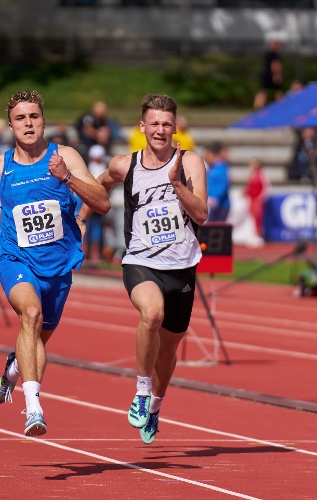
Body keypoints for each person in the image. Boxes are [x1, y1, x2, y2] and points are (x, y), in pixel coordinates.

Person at [77, 93, 208, 444]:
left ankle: (154, 406)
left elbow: (201, 214)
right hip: (140, 261)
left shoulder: (191, 162)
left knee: (168, 353)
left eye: (167, 124)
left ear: (174, 127)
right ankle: (140, 390)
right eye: (155, 124)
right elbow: (100, 184)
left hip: (182, 266)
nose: (161, 130)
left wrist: (177, 183)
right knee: (151, 314)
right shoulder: (126, 165)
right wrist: (82, 217)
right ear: (142, 127)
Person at [0, 89, 110, 437]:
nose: (28, 123)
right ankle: (33, 408)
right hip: (14, 257)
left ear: (44, 121)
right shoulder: (2, 166)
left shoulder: (65, 156)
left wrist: (66, 178)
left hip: (58, 265)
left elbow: (103, 203)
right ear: (10, 125)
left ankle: (13, 370)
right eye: (21, 118)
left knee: (37, 340)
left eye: (34, 117)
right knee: (29, 315)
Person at [203, 141, 231, 222]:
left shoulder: (221, 167)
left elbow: (223, 185)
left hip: (220, 205)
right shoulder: (212, 168)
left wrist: (216, 198)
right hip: (212, 204)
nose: (206, 157)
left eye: (207, 155)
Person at [243, 158, 270, 243]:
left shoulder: (262, 174)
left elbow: (266, 187)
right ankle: (253, 235)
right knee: (252, 218)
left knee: (257, 218)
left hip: (257, 200)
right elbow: (250, 186)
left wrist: (261, 197)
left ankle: (258, 235)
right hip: (251, 199)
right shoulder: (252, 174)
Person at [253, 39, 284, 109]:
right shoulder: (274, 54)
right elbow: (274, 65)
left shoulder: (266, 53)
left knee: (264, 90)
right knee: (278, 91)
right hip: (272, 75)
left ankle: (257, 106)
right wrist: (277, 75)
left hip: (265, 74)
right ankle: (282, 107)